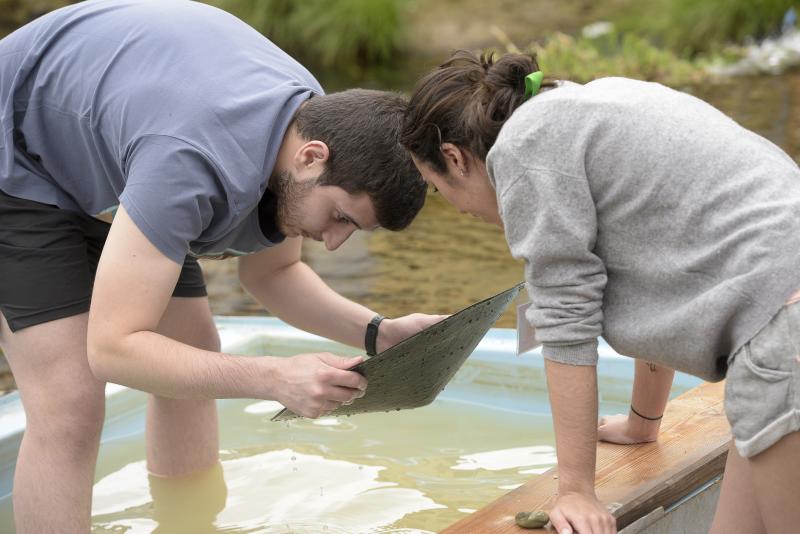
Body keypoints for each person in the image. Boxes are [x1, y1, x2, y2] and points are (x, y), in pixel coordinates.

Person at [0, 1, 443, 532]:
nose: (333, 243)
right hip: (14, 152)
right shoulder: (191, 161)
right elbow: (112, 349)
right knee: (70, 405)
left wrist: (379, 333)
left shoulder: (310, 129)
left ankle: (187, 525)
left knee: (192, 361)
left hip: (116, 143)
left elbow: (271, 274)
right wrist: (274, 377)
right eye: (339, 217)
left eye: (352, 230)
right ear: (311, 157)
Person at [401, 49, 800, 534]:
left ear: (453, 158)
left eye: (439, 190)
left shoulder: (524, 153)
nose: (458, 209)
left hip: (783, 335)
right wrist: (642, 422)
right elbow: (660, 277)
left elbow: (566, 317)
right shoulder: (584, 105)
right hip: (776, 325)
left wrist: (575, 491)